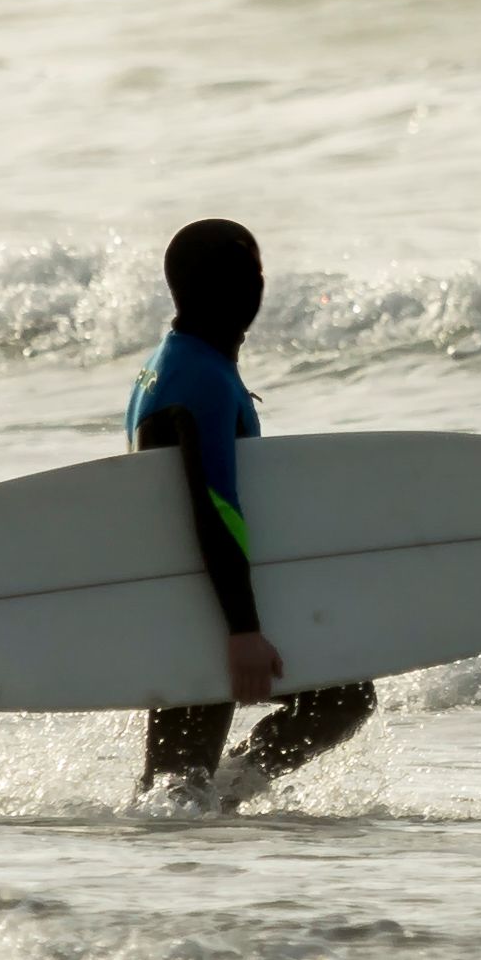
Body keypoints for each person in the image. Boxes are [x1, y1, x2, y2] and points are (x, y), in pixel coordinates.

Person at [126, 217, 373, 806]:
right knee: (179, 788)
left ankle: (222, 800)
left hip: (185, 593)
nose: (258, 289)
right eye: (250, 275)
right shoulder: (200, 379)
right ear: (237, 289)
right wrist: (241, 630)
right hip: (205, 603)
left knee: (175, 788)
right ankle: (224, 801)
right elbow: (213, 504)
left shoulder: (174, 362)